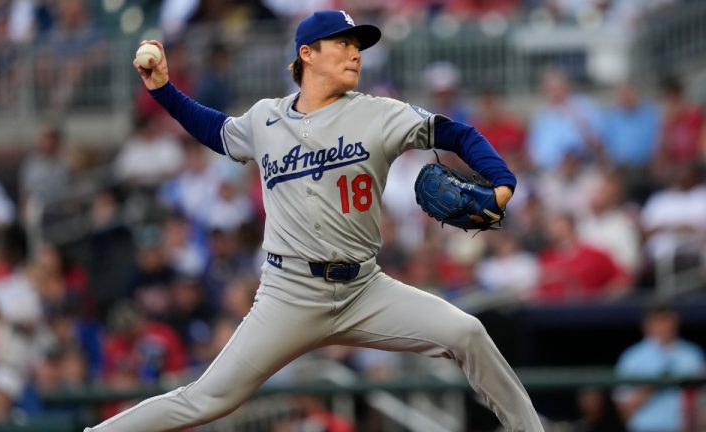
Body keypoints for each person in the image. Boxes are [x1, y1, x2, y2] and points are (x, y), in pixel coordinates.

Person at [85, 10, 542, 431]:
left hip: (365, 288)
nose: (354, 53)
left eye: (357, 46)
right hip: (290, 293)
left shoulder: (379, 113)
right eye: (341, 43)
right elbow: (217, 132)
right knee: (207, 398)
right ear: (307, 54)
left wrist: (502, 182)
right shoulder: (266, 119)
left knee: (467, 331)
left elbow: (456, 132)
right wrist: (163, 89)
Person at [614, 304, 705, 432]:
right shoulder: (633, 357)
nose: (665, 326)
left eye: (667, 319)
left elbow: (701, 401)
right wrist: (654, 384)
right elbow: (624, 407)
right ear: (647, 325)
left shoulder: (692, 354)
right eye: (659, 320)